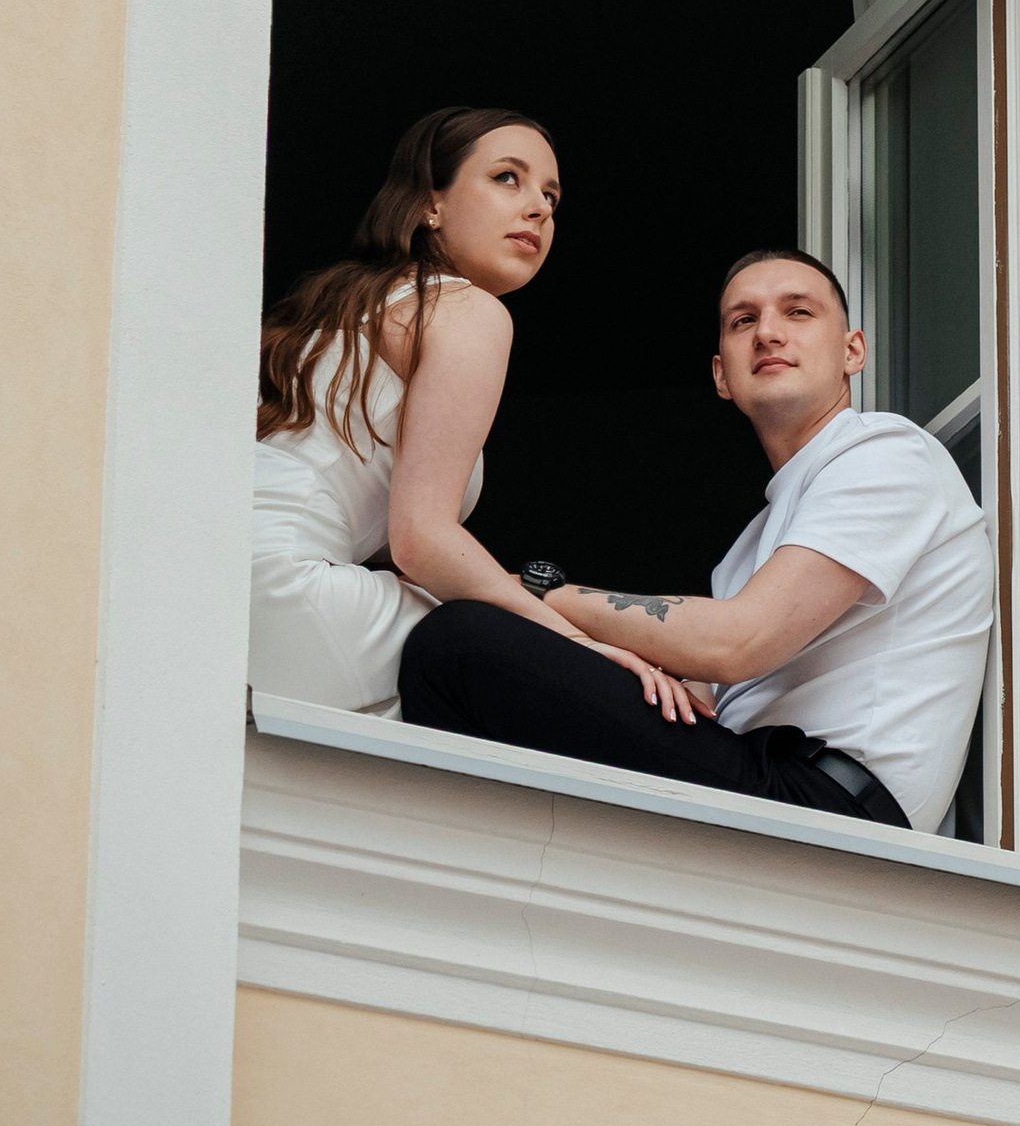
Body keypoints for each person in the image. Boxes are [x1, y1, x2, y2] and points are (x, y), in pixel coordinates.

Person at [398, 246, 993, 833]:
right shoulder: (749, 550)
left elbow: (739, 641)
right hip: (763, 780)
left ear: (852, 351)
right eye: (743, 321)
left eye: (798, 313)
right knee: (481, 665)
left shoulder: (886, 452)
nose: (768, 334)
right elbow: (699, 689)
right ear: (720, 377)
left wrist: (539, 595)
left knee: (459, 643)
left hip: (832, 809)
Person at [248, 108, 693, 724]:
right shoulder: (466, 311)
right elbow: (422, 538)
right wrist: (580, 644)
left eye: (551, 195)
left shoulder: (345, 306)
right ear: (430, 205)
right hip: (291, 592)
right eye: (507, 178)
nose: (538, 207)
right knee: (532, 668)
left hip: (220, 575)